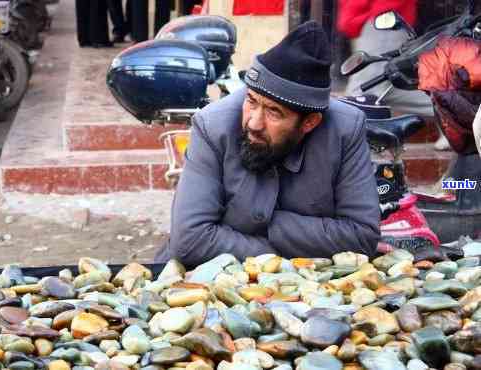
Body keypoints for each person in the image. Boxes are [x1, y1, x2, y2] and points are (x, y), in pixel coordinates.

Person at [155, 21, 381, 268]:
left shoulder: (345, 130)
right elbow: (190, 240)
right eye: (251, 101)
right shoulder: (212, 125)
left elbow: (361, 237)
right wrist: (281, 257)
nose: (253, 122)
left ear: (310, 122)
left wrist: (265, 224)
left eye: (273, 112)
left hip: (311, 288)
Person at [337, 0, 450, 151]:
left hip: (378, 19)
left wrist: (358, 16)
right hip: (375, 20)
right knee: (392, 88)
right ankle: (455, 113)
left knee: (361, 94)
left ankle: (343, 148)